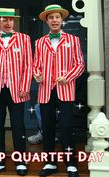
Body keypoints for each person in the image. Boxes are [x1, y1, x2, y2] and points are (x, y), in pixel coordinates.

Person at [34, 4, 85, 177]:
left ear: (62, 20)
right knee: (47, 127)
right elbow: (36, 66)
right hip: (45, 90)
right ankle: (50, 162)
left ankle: (71, 163)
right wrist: (37, 75)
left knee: (66, 126)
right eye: (51, 18)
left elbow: (80, 64)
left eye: (57, 17)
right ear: (47, 21)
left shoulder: (73, 40)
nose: (54, 20)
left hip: (65, 90)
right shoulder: (40, 42)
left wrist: (68, 77)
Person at [0, 8, 33, 176]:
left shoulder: (24, 39)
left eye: (10, 19)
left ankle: (20, 160)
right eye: (4, 19)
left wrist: (25, 86)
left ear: (14, 21)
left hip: (17, 90)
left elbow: (28, 66)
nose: (7, 22)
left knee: (18, 125)